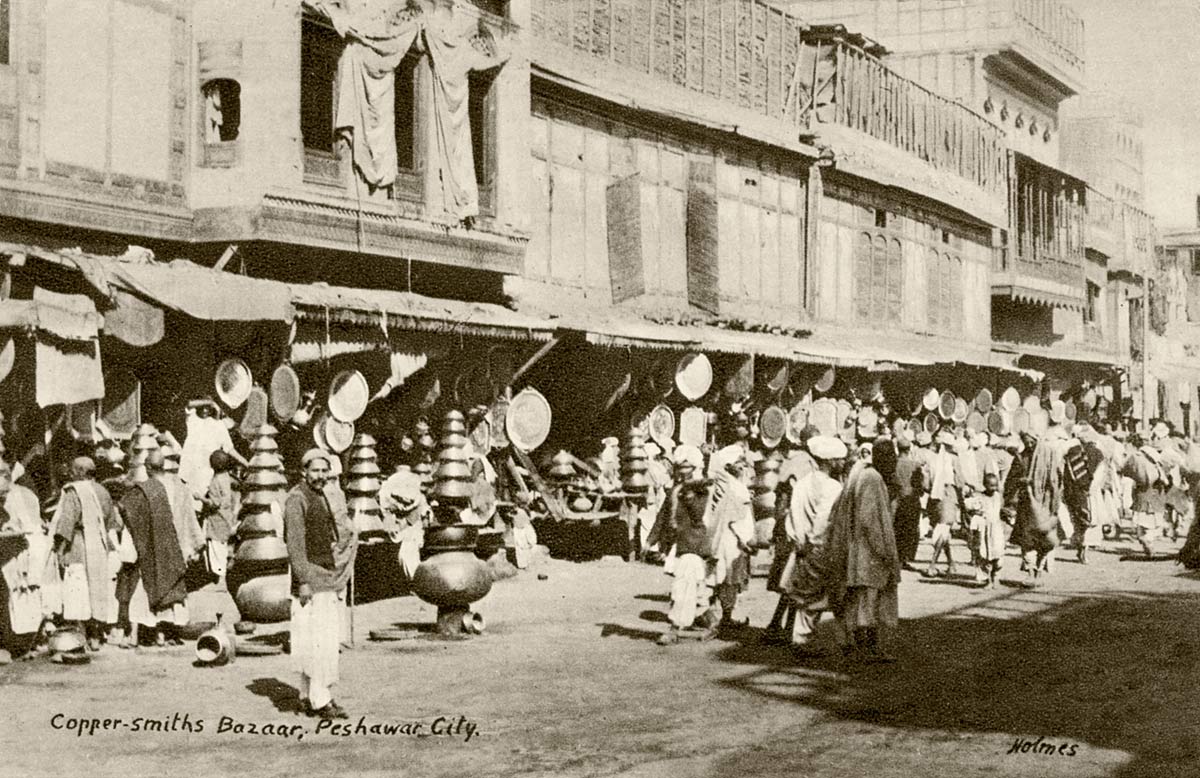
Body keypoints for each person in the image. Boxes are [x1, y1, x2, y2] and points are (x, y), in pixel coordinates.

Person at [284, 449, 357, 719]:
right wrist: (303, 581)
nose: (321, 476)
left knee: (312, 641)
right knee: (319, 642)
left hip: (323, 575)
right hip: (310, 579)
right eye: (315, 471)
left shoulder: (320, 495)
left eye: (324, 471)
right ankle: (321, 700)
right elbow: (294, 544)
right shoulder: (296, 499)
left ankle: (306, 696)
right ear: (304, 471)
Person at [824, 437, 901, 663]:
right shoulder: (872, 479)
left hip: (867, 551)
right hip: (870, 553)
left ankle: (867, 648)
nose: (893, 463)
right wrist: (883, 551)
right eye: (890, 458)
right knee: (867, 603)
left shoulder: (868, 476)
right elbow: (868, 519)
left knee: (866, 602)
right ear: (881, 458)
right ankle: (866, 649)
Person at [769, 436, 847, 651]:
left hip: (802, 546)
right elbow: (823, 519)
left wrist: (798, 540)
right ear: (830, 461)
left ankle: (843, 640)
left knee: (808, 593)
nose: (842, 463)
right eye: (840, 460)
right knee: (817, 597)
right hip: (821, 548)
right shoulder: (833, 487)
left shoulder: (802, 483)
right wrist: (814, 541)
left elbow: (792, 516)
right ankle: (803, 640)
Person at [119, 450, 190, 646]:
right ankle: (162, 635)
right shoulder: (178, 486)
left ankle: (133, 635)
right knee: (168, 586)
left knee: (142, 589)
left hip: (147, 546)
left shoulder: (143, 489)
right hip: (170, 546)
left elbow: (128, 514)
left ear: (147, 468)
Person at [50, 457, 122, 652]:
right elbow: (112, 522)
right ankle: (96, 635)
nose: (70, 473)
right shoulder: (103, 491)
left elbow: (67, 522)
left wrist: (61, 549)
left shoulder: (73, 491)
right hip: (99, 545)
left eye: (73, 469)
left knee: (78, 589)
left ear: (80, 472)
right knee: (97, 588)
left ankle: (80, 635)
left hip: (78, 544)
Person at [657, 445, 715, 646]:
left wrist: (691, 499)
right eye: (679, 467)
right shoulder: (677, 491)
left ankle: (674, 628)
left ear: (694, 467)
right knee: (696, 588)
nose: (682, 471)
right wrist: (651, 540)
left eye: (686, 467)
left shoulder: (702, 490)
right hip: (682, 543)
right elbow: (664, 516)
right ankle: (712, 622)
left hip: (695, 543)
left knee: (682, 586)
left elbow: (699, 518)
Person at [0, 458, 44, 659]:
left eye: (5, 474)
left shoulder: (20, 495)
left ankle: (12, 642)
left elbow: (29, 525)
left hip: (11, 555)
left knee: (11, 597)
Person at [709, 445, 756, 631]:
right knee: (728, 577)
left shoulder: (724, 483)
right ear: (728, 466)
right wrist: (746, 539)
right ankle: (723, 617)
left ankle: (721, 615)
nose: (742, 467)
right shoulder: (733, 486)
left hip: (723, 536)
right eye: (738, 463)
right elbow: (738, 518)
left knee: (723, 576)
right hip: (732, 538)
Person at [925, 431, 964, 578]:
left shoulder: (933, 459)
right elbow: (960, 480)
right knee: (943, 529)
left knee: (942, 529)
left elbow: (927, 482)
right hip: (949, 494)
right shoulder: (954, 459)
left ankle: (950, 563)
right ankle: (932, 565)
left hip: (936, 496)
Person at [1121, 437, 1167, 559]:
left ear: (1131, 444)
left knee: (1142, 524)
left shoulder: (1135, 457)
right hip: (1156, 493)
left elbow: (1124, 470)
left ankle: (1147, 543)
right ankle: (1149, 543)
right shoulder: (1154, 457)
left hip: (1142, 493)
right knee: (1151, 522)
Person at [201, 450, 240, 582]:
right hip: (226, 517)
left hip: (216, 520)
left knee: (216, 549)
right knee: (223, 547)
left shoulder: (215, 481)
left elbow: (214, 503)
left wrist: (200, 498)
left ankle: (219, 578)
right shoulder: (226, 478)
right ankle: (224, 573)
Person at [966, 473, 1005, 588]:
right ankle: (988, 580)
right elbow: (969, 507)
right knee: (985, 555)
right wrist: (976, 513)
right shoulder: (980, 498)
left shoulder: (998, 497)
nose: (993, 488)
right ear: (985, 485)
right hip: (984, 530)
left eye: (995, 485)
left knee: (998, 555)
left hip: (996, 530)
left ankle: (996, 578)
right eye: (991, 485)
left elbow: (1001, 510)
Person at [892, 435, 926, 569]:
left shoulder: (893, 463)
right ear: (909, 449)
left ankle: (896, 559)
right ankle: (904, 559)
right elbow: (921, 485)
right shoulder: (915, 465)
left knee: (897, 529)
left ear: (898, 449)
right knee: (910, 530)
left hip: (897, 500)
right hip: (911, 500)